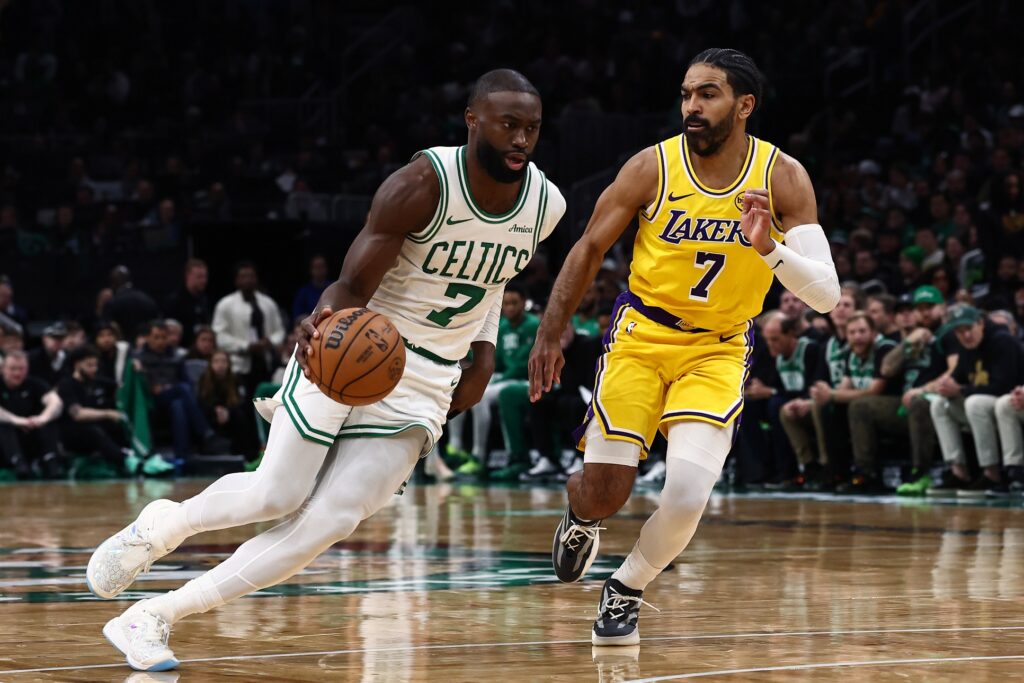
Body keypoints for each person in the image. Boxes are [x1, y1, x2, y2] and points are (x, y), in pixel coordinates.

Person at [87, 69, 565, 671]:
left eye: (532, 129)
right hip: (357, 344)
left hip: (427, 381)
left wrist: (486, 350)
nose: (522, 139)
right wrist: (322, 320)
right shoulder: (422, 184)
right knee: (275, 493)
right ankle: (161, 526)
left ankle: (153, 616)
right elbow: (352, 280)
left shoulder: (547, 205)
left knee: (331, 520)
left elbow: (495, 280)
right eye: (509, 125)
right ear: (473, 122)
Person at [529, 49, 838, 646]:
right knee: (606, 491)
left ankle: (627, 585)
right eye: (687, 94)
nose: (692, 107)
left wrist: (767, 247)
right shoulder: (652, 166)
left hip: (720, 347)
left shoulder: (782, 176)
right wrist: (551, 331)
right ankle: (581, 516)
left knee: (689, 491)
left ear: (745, 105)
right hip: (642, 337)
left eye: (708, 94)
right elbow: (589, 247)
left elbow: (825, 295)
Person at [927, 304, 1021, 495]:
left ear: (980, 324)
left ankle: (991, 472)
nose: (966, 335)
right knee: (939, 404)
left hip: (1006, 403)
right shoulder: (966, 347)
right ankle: (958, 471)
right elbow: (959, 377)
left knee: (974, 402)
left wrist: (960, 389)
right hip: (985, 406)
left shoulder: (1002, 342)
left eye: (969, 329)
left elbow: (1003, 387)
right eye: (959, 332)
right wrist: (946, 385)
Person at [448, 282, 539, 479]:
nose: (510, 308)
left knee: (482, 395)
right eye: (506, 303)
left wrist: (493, 379)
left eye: (515, 303)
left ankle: (478, 455)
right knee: (461, 386)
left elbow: (523, 365)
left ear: (524, 303)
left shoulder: (533, 325)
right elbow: (494, 362)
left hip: (525, 380)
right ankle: (454, 447)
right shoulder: (502, 326)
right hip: (504, 378)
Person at [212, 262, 286, 395]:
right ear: (237, 280)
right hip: (238, 365)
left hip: (265, 362)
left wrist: (270, 341)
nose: (248, 280)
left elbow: (279, 330)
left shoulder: (268, 303)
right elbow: (219, 336)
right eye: (243, 276)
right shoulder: (225, 304)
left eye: (251, 276)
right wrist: (246, 346)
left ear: (256, 279)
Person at [57, 345, 131, 472]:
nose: (94, 369)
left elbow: (122, 387)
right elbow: (77, 414)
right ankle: (125, 461)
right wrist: (107, 413)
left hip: (97, 427)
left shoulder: (99, 382)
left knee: (117, 426)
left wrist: (135, 369)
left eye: (95, 365)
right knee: (94, 431)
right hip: (73, 432)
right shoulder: (66, 385)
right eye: (89, 365)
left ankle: (134, 454)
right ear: (77, 365)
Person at [0, 351, 63, 479]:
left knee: (50, 421)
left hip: (31, 433)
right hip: (5, 442)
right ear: (3, 369)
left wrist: (42, 419)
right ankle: (18, 463)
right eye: (13, 369)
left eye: (21, 369)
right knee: (4, 425)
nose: (17, 373)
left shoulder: (35, 384)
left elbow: (56, 402)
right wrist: (16, 420)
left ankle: (50, 461)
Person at [163, 259, 211, 349]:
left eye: (205, 277)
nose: (204, 281)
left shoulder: (204, 299)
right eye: (199, 277)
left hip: (200, 349)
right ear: (188, 276)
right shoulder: (174, 301)